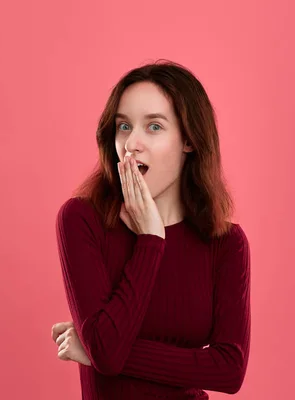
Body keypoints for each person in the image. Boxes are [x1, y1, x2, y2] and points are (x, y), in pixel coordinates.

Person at [52, 60, 251, 399]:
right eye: (124, 127)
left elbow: (229, 369)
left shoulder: (227, 243)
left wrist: (98, 352)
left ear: (189, 140)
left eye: (154, 127)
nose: (131, 144)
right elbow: (105, 349)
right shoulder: (81, 220)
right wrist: (151, 240)